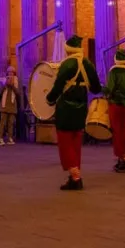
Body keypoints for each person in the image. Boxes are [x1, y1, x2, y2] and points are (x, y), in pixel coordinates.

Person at [46, 35, 101, 191]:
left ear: (68, 50)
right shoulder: (88, 64)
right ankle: (73, 176)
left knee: (65, 142)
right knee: (76, 142)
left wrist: (50, 99)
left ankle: (75, 177)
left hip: (66, 108)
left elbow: (58, 86)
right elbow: (96, 88)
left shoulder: (67, 64)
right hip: (81, 107)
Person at [0, 66, 19, 146]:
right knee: (3, 122)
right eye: (9, 72)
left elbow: (17, 93)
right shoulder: (3, 80)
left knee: (11, 122)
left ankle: (10, 137)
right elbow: (0, 92)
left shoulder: (16, 81)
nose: (10, 74)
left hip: (12, 104)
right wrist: (5, 84)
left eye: (12, 73)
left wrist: (12, 86)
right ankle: (0, 138)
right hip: (4, 105)